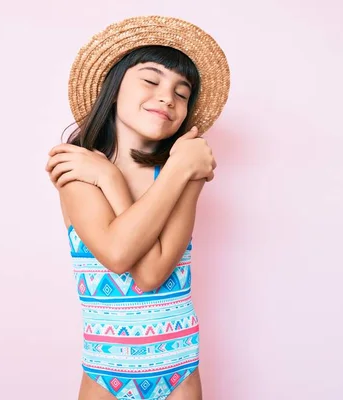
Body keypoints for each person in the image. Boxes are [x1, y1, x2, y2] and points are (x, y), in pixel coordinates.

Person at [45, 15, 230, 400]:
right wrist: (113, 176)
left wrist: (174, 170)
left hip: (180, 371)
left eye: (182, 93)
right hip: (105, 375)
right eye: (151, 79)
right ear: (113, 90)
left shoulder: (182, 175)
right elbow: (117, 254)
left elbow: (151, 273)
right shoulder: (79, 171)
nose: (167, 96)